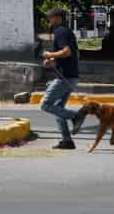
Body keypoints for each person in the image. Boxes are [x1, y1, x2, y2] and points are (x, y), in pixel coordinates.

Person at [41, 8, 87, 149]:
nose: (49, 19)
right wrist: (53, 60)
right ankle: (67, 141)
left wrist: (49, 55)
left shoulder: (60, 31)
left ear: (58, 18)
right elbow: (74, 54)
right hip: (70, 76)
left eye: (51, 17)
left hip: (64, 77)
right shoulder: (67, 32)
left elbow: (66, 52)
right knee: (58, 109)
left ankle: (75, 116)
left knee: (46, 105)